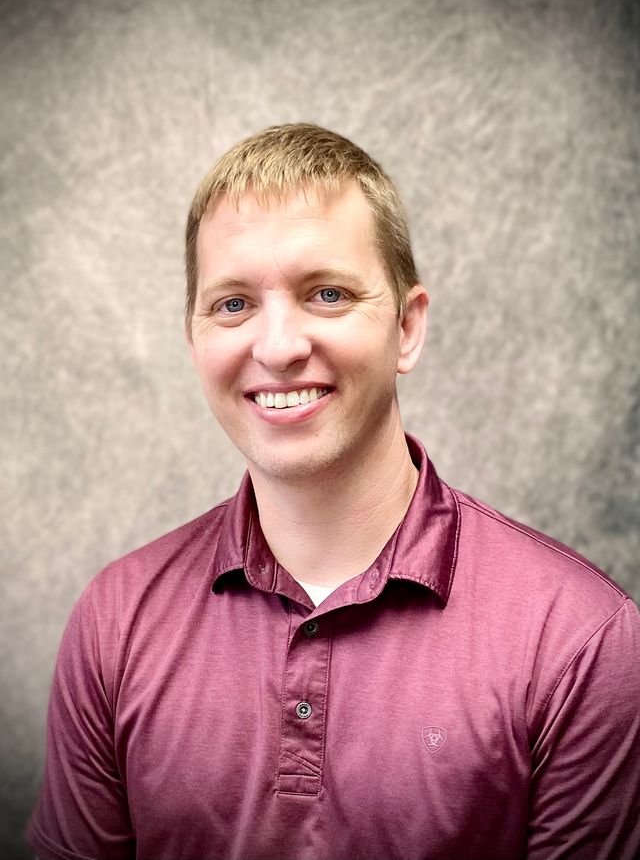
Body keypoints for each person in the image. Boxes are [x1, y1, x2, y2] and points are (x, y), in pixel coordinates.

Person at [28, 123, 640, 860]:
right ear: (193, 339)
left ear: (406, 328)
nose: (279, 347)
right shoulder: (115, 622)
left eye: (327, 294)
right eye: (233, 305)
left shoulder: (581, 640)